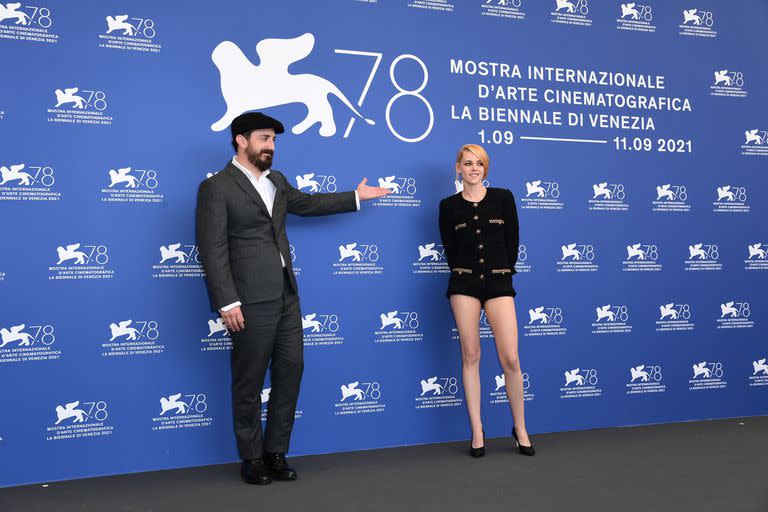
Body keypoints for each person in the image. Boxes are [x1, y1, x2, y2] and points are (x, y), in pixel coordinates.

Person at [196, 112, 390, 485]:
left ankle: (275, 452)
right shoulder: (216, 188)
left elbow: (309, 204)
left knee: (290, 371)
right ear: (241, 140)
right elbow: (212, 248)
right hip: (248, 301)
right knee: (249, 381)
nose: (271, 146)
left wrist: (355, 196)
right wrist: (227, 301)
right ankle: (251, 457)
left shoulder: (278, 182)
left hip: (287, 295)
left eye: (273, 140)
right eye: (264, 139)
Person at [438, 144, 535, 458]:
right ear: (458, 168)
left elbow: (512, 243)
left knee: (511, 358)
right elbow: (450, 249)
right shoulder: (448, 206)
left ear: (486, 169)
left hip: (498, 282)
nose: (473, 168)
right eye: (468, 163)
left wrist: (499, 274)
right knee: (471, 355)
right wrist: (467, 275)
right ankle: (477, 430)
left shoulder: (503, 198)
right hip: (464, 284)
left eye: (479, 163)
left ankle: (520, 427)